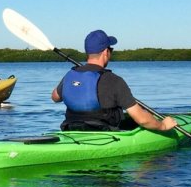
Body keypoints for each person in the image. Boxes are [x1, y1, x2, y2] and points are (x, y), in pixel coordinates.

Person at [50, 29, 179, 133]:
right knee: (139, 120)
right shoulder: (114, 81)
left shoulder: (70, 75)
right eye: (111, 49)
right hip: (104, 134)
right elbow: (142, 120)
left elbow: (55, 97)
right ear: (106, 52)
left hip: (71, 129)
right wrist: (163, 125)